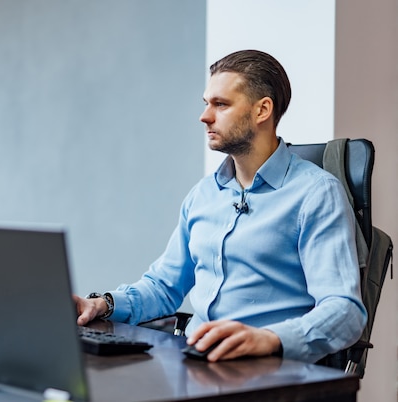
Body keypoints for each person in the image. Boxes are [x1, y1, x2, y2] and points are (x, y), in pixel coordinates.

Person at [74, 49, 367, 364]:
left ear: (262, 110)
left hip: (269, 374)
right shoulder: (203, 194)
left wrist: (270, 339)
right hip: (194, 364)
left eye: (221, 105)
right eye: (206, 103)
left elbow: (345, 311)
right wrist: (105, 304)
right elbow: (164, 287)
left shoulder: (316, 194)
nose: (205, 116)